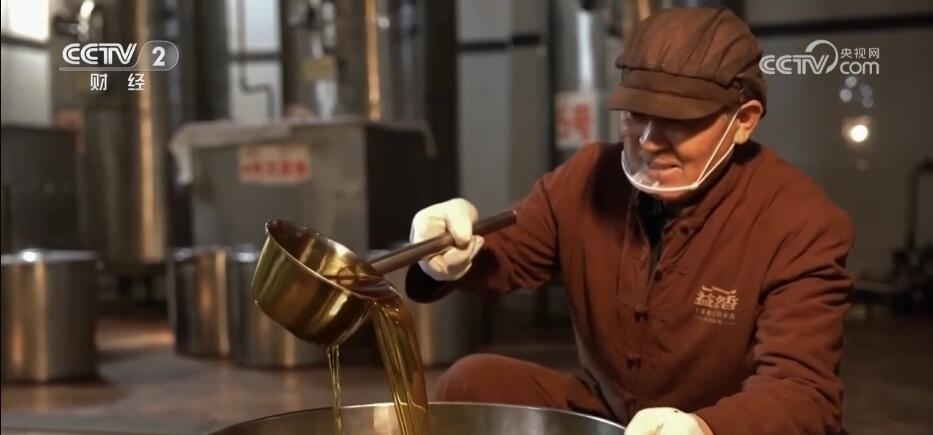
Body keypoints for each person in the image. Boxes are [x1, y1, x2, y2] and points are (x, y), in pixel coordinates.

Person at [405, 7, 854, 435]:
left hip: (721, 423)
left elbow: (803, 391)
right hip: (613, 415)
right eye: (637, 115)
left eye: (679, 120)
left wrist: (705, 427)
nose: (649, 141)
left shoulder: (799, 222)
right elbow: (510, 249)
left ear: (743, 121)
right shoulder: (587, 178)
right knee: (472, 383)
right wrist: (447, 253)